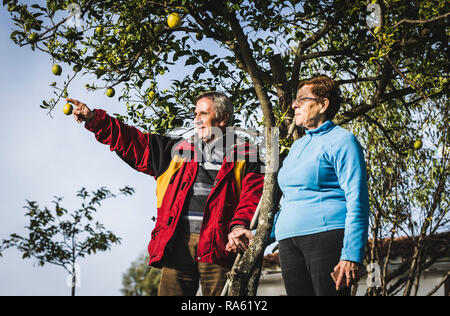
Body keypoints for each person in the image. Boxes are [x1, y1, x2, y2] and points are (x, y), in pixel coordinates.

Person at [66, 91, 264, 296]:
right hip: (178, 244)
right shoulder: (175, 150)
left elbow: (253, 195)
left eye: (203, 114)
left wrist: (239, 225)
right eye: (195, 114)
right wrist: (94, 119)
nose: (197, 120)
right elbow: (132, 141)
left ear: (223, 119)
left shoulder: (246, 154)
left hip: (221, 245)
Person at [274, 75, 370, 296]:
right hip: (288, 242)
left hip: (326, 236)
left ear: (323, 104)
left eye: (301, 99)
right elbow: (289, 202)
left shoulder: (343, 141)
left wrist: (351, 254)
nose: (294, 105)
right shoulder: (297, 147)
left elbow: (358, 199)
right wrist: (259, 234)